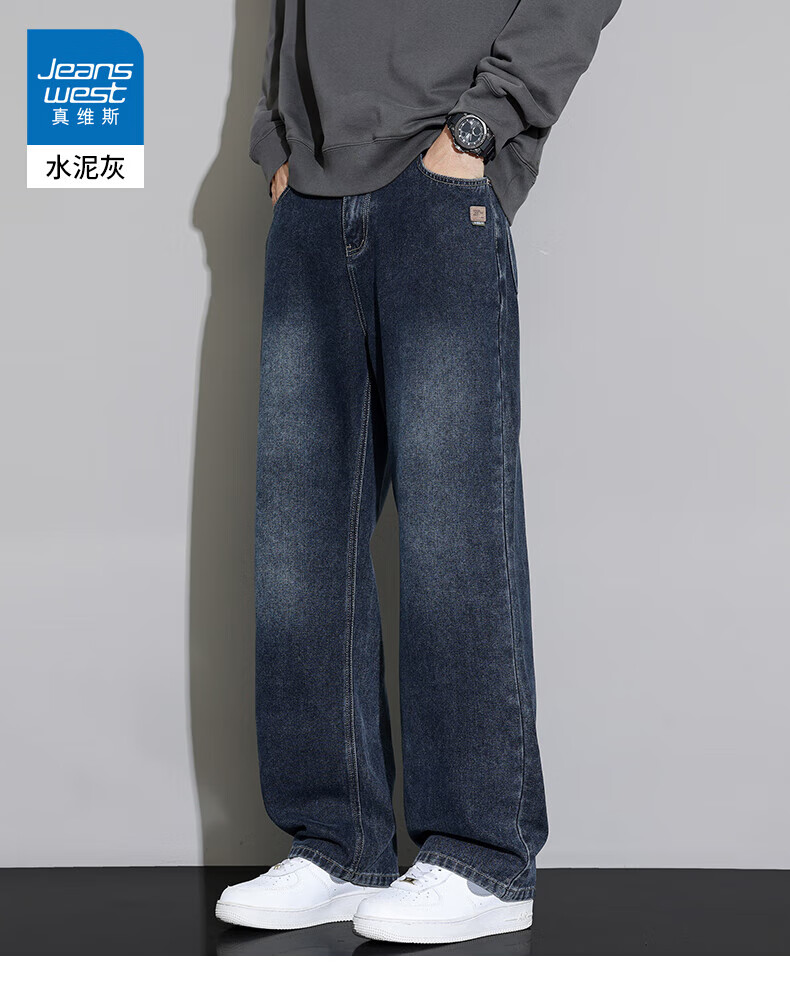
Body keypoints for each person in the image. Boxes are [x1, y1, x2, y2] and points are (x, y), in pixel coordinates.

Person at [216, 0, 621, 946]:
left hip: (439, 178)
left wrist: (479, 129)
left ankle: (483, 858)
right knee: (300, 544)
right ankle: (336, 842)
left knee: (455, 534)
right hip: (310, 195)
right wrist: (277, 142)